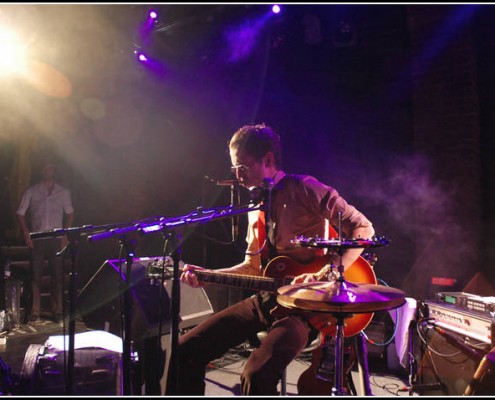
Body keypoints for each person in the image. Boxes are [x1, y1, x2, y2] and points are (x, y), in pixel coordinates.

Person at [168, 123, 375, 395]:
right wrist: (208, 275)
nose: (237, 176)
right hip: (267, 300)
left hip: (306, 308)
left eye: (243, 167)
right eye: (234, 169)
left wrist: (328, 273)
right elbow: (253, 268)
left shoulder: (306, 189)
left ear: (267, 160)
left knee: (256, 373)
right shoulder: (255, 208)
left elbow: (364, 229)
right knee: (185, 350)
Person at [16, 156, 74, 324]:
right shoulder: (32, 191)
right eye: (45, 169)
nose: (48, 172)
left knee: (57, 274)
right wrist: (26, 233)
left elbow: (70, 213)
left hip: (56, 237)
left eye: (51, 168)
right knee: (36, 274)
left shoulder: (63, 192)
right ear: (42, 171)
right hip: (38, 237)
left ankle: (57, 310)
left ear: (54, 171)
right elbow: (20, 213)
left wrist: (65, 234)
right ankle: (35, 310)